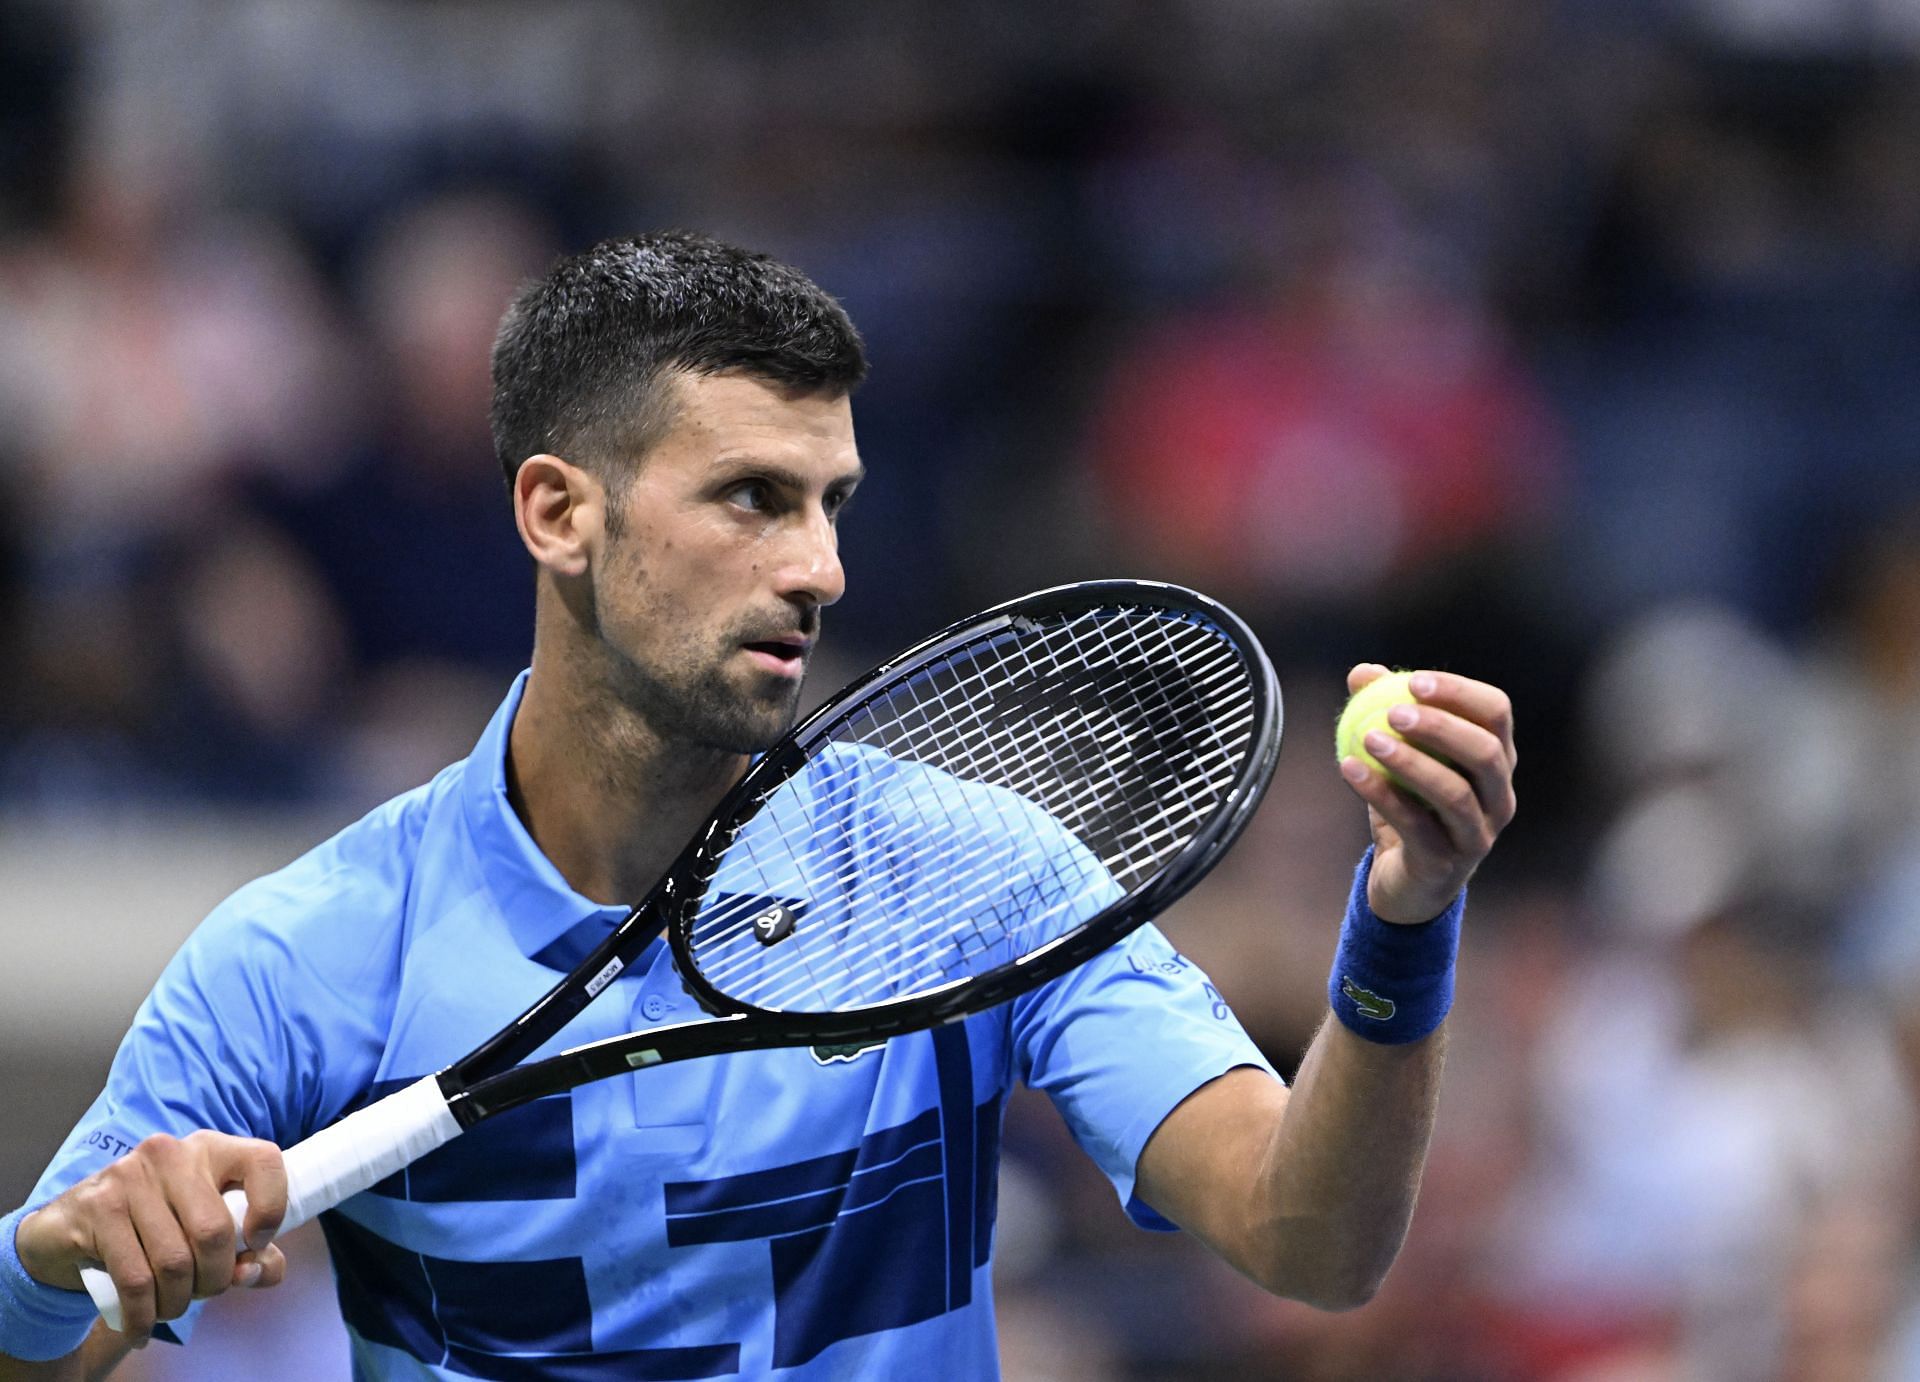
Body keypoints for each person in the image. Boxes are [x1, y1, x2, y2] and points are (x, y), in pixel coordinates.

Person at [0, 231, 1518, 1380]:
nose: (819, 569)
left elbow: (1308, 1238)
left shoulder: (971, 872)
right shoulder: (308, 953)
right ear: (558, 513)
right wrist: (48, 1262)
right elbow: (41, 1336)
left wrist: (1405, 924)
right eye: (752, 498)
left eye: (832, 502)